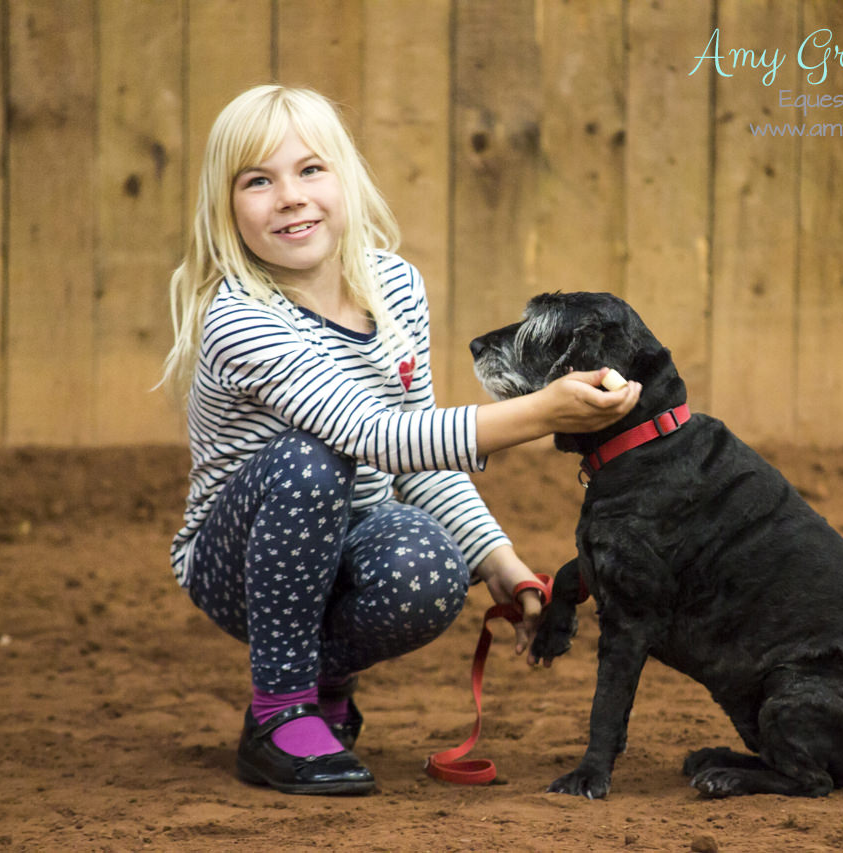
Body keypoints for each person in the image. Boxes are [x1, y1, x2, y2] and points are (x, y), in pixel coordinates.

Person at [159, 84, 640, 795]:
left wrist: (503, 566)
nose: (290, 196)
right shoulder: (239, 318)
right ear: (226, 205)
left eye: (311, 169)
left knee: (431, 568)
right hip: (238, 561)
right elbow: (377, 436)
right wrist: (545, 412)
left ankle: (322, 683)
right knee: (309, 461)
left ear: (347, 178)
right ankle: (279, 710)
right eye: (258, 180)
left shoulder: (394, 286)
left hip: (351, 537)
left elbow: (421, 457)